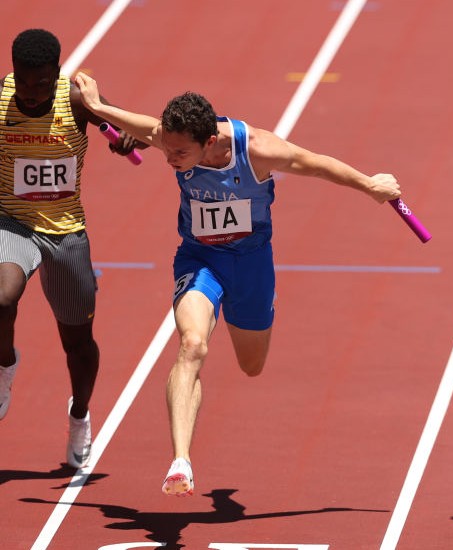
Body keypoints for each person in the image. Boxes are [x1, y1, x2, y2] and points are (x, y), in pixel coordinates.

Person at [73, 72, 401, 496]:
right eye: (166, 148)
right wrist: (97, 107)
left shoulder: (258, 149)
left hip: (251, 265)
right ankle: (180, 462)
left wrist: (371, 185)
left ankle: (252, 319)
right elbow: (140, 125)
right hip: (200, 260)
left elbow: (319, 165)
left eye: (178, 152)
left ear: (209, 142)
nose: (167, 156)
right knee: (192, 344)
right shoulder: (170, 137)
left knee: (252, 366)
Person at [0, 29, 143, 468]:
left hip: (65, 231)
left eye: (41, 84)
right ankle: (5, 366)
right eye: (23, 82)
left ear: (56, 75)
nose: (30, 93)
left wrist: (125, 141)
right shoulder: (3, 101)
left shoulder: (78, 99)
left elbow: (126, 129)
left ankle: (79, 417)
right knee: (1, 298)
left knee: (78, 344)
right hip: (12, 221)